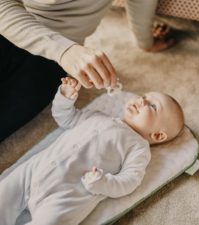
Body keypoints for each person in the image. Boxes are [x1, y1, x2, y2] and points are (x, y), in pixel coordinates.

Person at [0, 76, 184, 225]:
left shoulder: (138, 147)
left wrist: (103, 183)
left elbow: (130, 181)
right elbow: (65, 119)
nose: (142, 100)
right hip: (36, 170)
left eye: (152, 106)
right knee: (4, 193)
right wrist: (64, 98)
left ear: (158, 136)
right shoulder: (98, 116)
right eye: (144, 96)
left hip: (67, 193)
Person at [0, 0, 177, 141]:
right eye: (146, 99)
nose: (141, 101)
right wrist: (64, 50)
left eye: (152, 105)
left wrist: (145, 42)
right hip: (11, 31)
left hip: (51, 63)